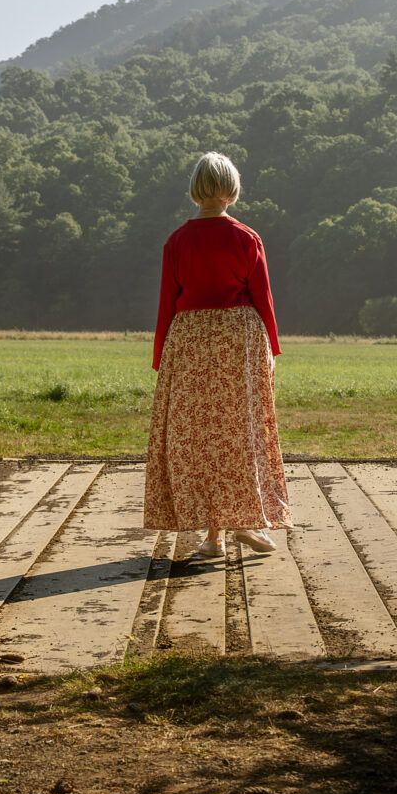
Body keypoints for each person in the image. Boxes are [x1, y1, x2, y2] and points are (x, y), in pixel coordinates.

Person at [144, 152, 289, 559]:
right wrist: (272, 347)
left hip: (189, 340)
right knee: (240, 432)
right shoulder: (246, 237)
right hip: (238, 339)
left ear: (196, 191)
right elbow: (263, 298)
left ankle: (214, 537)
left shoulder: (176, 241)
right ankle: (243, 522)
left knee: (201, 438)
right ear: (231, 190)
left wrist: (161, 356)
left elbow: (166, 303)